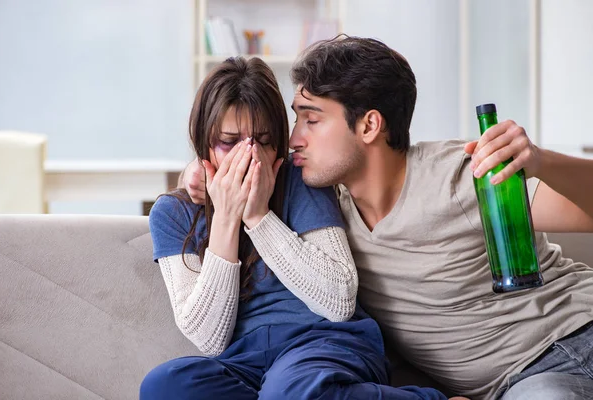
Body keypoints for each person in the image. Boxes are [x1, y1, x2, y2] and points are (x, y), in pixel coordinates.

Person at [182, 36, 593, 400]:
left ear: (369, 125)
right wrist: (197, 175)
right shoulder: (321, 205)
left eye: (311, 119)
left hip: (567, 344)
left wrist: (541, 161)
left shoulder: (457, 176)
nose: (294, 139)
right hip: (499, 385)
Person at [140, 56, 455, 400]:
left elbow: (338, 301)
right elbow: (209, 338)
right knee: (165, 386)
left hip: (323, 343)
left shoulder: (299, 180)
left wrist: (259, 217)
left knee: (290, 389)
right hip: (245, 362)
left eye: (263, 139)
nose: (250, 157)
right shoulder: (173, 213)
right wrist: (227, 219)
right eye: (230, 141)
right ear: (205, 142)